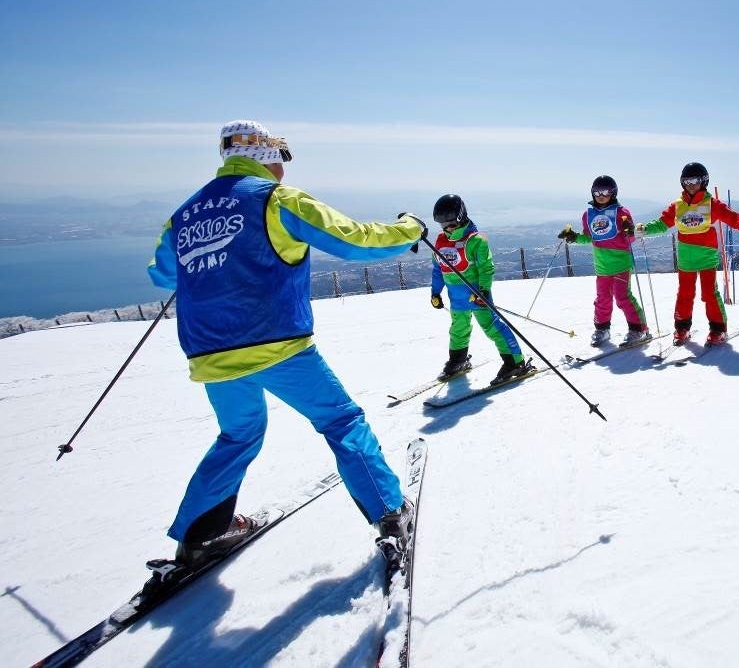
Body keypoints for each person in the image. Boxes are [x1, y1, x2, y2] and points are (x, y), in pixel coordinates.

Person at [147, 119, 424, 566]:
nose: (283, 168)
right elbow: (355, 241)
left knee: (237, 435)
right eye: (281, 156)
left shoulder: (184, 214)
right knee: (340, 421)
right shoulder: (276, 200)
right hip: (276, 342)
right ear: (264, 154)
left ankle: (198, 539)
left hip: (210, 352)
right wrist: (409, 227)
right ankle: (391, 515)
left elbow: (161, 273)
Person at [635, 162, 739, 346]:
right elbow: (662, 223)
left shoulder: (711, 204)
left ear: (704, 181)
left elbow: (732, 216)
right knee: (684, 294)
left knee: (710, 294)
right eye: (686, 180)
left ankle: (718, 329)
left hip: (706, 257)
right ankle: (682, 328)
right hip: (685, 259)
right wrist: (645, 229)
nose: (691, 184)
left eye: (695, 180)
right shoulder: (678, 205)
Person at [429, 193, 535, 384]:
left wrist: (484, 291)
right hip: (456, 298)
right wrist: (435, 292)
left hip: (475, 295)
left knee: (492, 327)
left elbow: (486, 269)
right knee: (458, 329)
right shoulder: (440, 240)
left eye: (451, 224)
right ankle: (457, 361)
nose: (447, 229)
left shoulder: (476, 240)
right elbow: (438, 269)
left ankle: (515, 362)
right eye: (443, 225)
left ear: (461, 217)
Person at [557, 175, 649, 346]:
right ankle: (602, 329)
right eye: (597, 191)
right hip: (602, 265)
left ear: (613, 193)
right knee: (602, 299)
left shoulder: (621, 213)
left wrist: (630, 232)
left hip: (620, 263)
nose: (601, 195)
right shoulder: (588, 214)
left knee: (623, 297)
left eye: (605, 192)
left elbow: (631, 238)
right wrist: (574, 237)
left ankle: (638, 329)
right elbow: (589, 237)